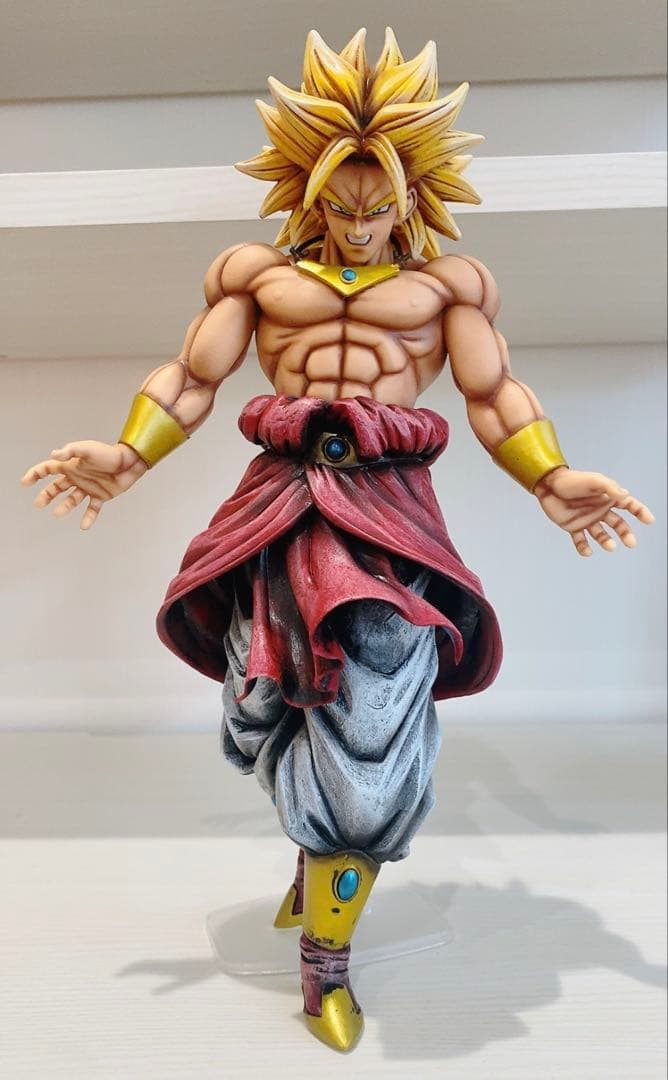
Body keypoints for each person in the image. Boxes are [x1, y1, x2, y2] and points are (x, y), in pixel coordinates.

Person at [21, 28, 653, 1053]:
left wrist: (550, 476)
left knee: (372, 725)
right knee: (267, 700)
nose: (359, 225)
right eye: (341, 204)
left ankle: (326, 961)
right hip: (276, 508)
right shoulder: (258, 277)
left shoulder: (446, 289)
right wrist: (125, 455)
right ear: (309, 193)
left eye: (377, 204)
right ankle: (309, 853)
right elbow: (190, 379)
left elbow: (493, 395)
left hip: (386, 518)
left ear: (411, 197)